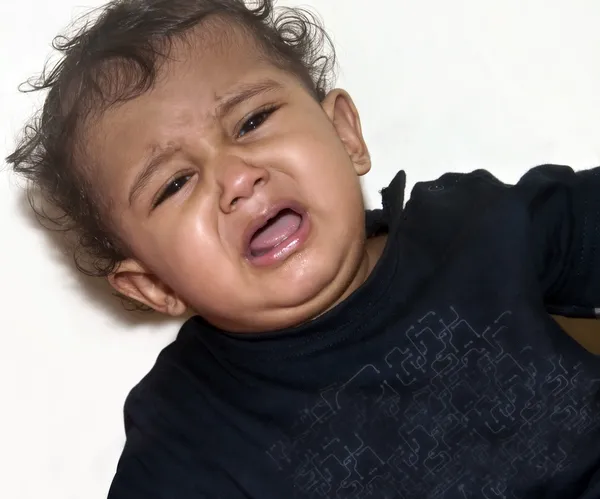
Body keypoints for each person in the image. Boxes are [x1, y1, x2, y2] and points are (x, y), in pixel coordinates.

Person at [6, 0, 600, 497]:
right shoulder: (190, 431)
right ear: (153, 286)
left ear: (345, 133)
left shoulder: (475, 230)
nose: (236, 178)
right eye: (174, 183)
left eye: (251, 120)